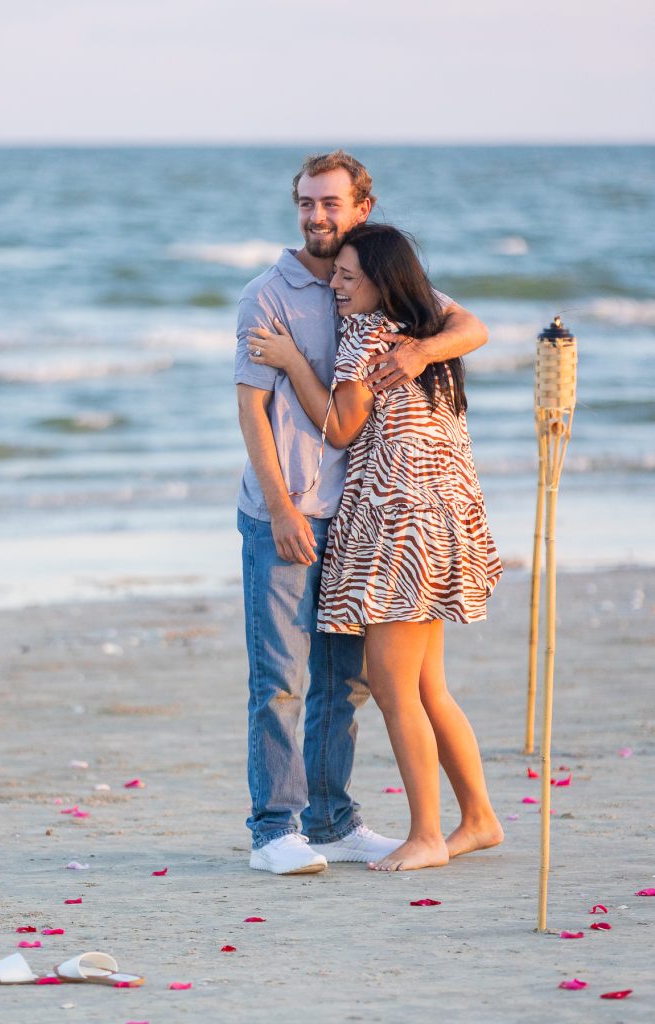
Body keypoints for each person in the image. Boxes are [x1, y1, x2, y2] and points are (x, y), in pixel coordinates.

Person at [235, 151, 488, 875]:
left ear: (361, 210)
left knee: (353, 685)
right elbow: (251, 410)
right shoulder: (271, 296)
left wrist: (422, 351)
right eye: (305, 203)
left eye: (330, 203)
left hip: (376, 523)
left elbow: (469, 327)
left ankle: (337, 821)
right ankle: (275, 830)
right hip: (304, 513)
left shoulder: (376, 298)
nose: (316, 216)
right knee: (284, 679)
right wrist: (279, 505)